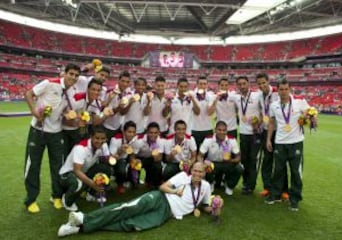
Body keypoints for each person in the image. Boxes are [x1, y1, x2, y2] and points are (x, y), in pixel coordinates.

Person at [57, 162, 212, 237]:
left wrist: (214, 208)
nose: (197, 174)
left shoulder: (205, 187)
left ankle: (80, 227)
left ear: (205, 173)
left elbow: (205, 205)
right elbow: (162, 187)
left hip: (167, 213)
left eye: (201, 171)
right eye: (195, 171)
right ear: (191, 170)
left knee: (132, 225)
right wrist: (175, 191)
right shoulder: (183, 176)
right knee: (127, 209)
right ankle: (84, 217)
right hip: (160, 198)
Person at [24, 63, 80, 213]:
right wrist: (35, 112)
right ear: (65, 73)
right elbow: (29, 94)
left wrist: (69, 116)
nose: (73, 77)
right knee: (33, 165)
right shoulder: (49, 83)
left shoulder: (71, 92)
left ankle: (56, 196)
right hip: (38, 130)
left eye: (76, 75)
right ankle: (31, 199)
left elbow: (63, 112)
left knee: (58, 167)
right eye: (71, 74)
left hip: (56, 132)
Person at [265, 78, 312, 211]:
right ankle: (275, 195)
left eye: (286, 89)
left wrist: (308, 118)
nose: (284, 92)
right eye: (281, 89)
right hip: (280, 142)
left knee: (296, 172)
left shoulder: (299, 101)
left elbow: (310, 114)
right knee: (278, 170)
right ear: (277, 90)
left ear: (290, 89)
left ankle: (295, 198)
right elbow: (272, 123)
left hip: (296, 142)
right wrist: (268, 139)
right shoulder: (274, 105)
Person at [59, 126, 112, 211]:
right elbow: (77, 171)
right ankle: (66, 199)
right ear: (91, 137)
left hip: (84, 171)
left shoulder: (103, 145)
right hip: (68, 174)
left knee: (105, 169)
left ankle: (90, 194)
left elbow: (107, 162)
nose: (100, 141)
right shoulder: (81, 148)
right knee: (78, 183)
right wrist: (93, 184)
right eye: (97, 138)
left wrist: (115, 155)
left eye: (103, 138)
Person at [256, 73, 288, 200]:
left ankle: (284, 189)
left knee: (280, 161)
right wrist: (258, 123)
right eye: (259, 83)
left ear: (268, 81)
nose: (262, 85)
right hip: (265, 131)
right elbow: (262, 112)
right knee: (267, 160)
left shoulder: (277, 93)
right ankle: (267, 187)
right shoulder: (259, 96)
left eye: (264, 82)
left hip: (279, 132)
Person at [234, 76, 262, 195]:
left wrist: (259, 122)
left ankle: (251, 185)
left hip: (255, 133)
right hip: (243, 133)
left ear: (248, 84)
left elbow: (264, 112)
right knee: (244, 160)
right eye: (239, 84)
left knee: (252, 159)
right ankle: (246, 183)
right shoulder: (236, 97)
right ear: (237, 86)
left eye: (244, 84)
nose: (242, 86)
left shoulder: (257, 96)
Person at [198, 121, 242, 195]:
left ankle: (229, 186)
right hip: (212, 164)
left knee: (239, 168)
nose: (222, 132)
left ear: (226, 130)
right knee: (207, 166)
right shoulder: (208, 139)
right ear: (215, 130)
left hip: (227, 163)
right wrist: (202, 164)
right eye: (219, 130)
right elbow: (200, 155)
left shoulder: (231, 140)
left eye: (224, 130)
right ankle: (210, 183)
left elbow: (238, 157)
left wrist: (231, 160)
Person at [109, 121, 142, 194]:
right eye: (129, 132)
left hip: (127, 158)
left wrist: (134, 161)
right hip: (117, 159)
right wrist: (120, 151)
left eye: (133, 132)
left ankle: (133, 181)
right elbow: (112, 159)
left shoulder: (136, 140)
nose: (131, 134)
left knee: (137, 163)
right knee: (121, 167)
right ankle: (120, 184)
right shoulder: (115, 139)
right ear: (124, 132)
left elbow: (133, 156)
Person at [102, 71, 132, 141]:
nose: (125, 84)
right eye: (123, 81)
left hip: (119, 126)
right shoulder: (110, 92)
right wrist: (119, 108)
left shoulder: (129, 93)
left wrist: (129, 104)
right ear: (118, 80)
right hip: (107, 126)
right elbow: (107, 112)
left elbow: (123, 113)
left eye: (127, 82)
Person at [137, 122, 166, 187]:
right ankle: (133, 181)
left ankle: (154, 182)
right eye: (151, 132)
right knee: (135, 164)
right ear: (147, 132)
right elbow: (133, 155)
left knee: (157, 166)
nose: (153, 135)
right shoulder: (139, 140)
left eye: (155, 133)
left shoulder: (161, 140)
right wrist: (136, 161)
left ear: (159, 133)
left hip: (151, 159)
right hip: (140, 158)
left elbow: (159, 158)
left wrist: (154, 151)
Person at [191, 76, 216, 149]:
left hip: (208, 128)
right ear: (197, 84)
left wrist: (214, 103)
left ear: (207, 85)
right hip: (194, 128)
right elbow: (196, 112)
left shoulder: (210, 96)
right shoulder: (192, 95)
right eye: (200, 84)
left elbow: (210, 113)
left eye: (204, 84)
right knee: (196, 151)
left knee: (207, 153)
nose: (202, 86)